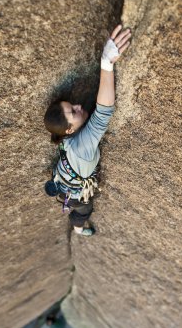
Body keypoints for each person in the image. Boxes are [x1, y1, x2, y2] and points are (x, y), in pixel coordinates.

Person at [44, 25, 131, 236]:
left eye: (71, 105)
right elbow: (102, 114)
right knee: (84, 209)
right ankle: (78, 228)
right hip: (74, 193)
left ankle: (76, 222)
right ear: (69, 129)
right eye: (73, 111)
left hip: (64, 182)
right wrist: (106, 63)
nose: (78, 106)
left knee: (78, 206)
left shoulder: (67, 137)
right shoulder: (82, 146)